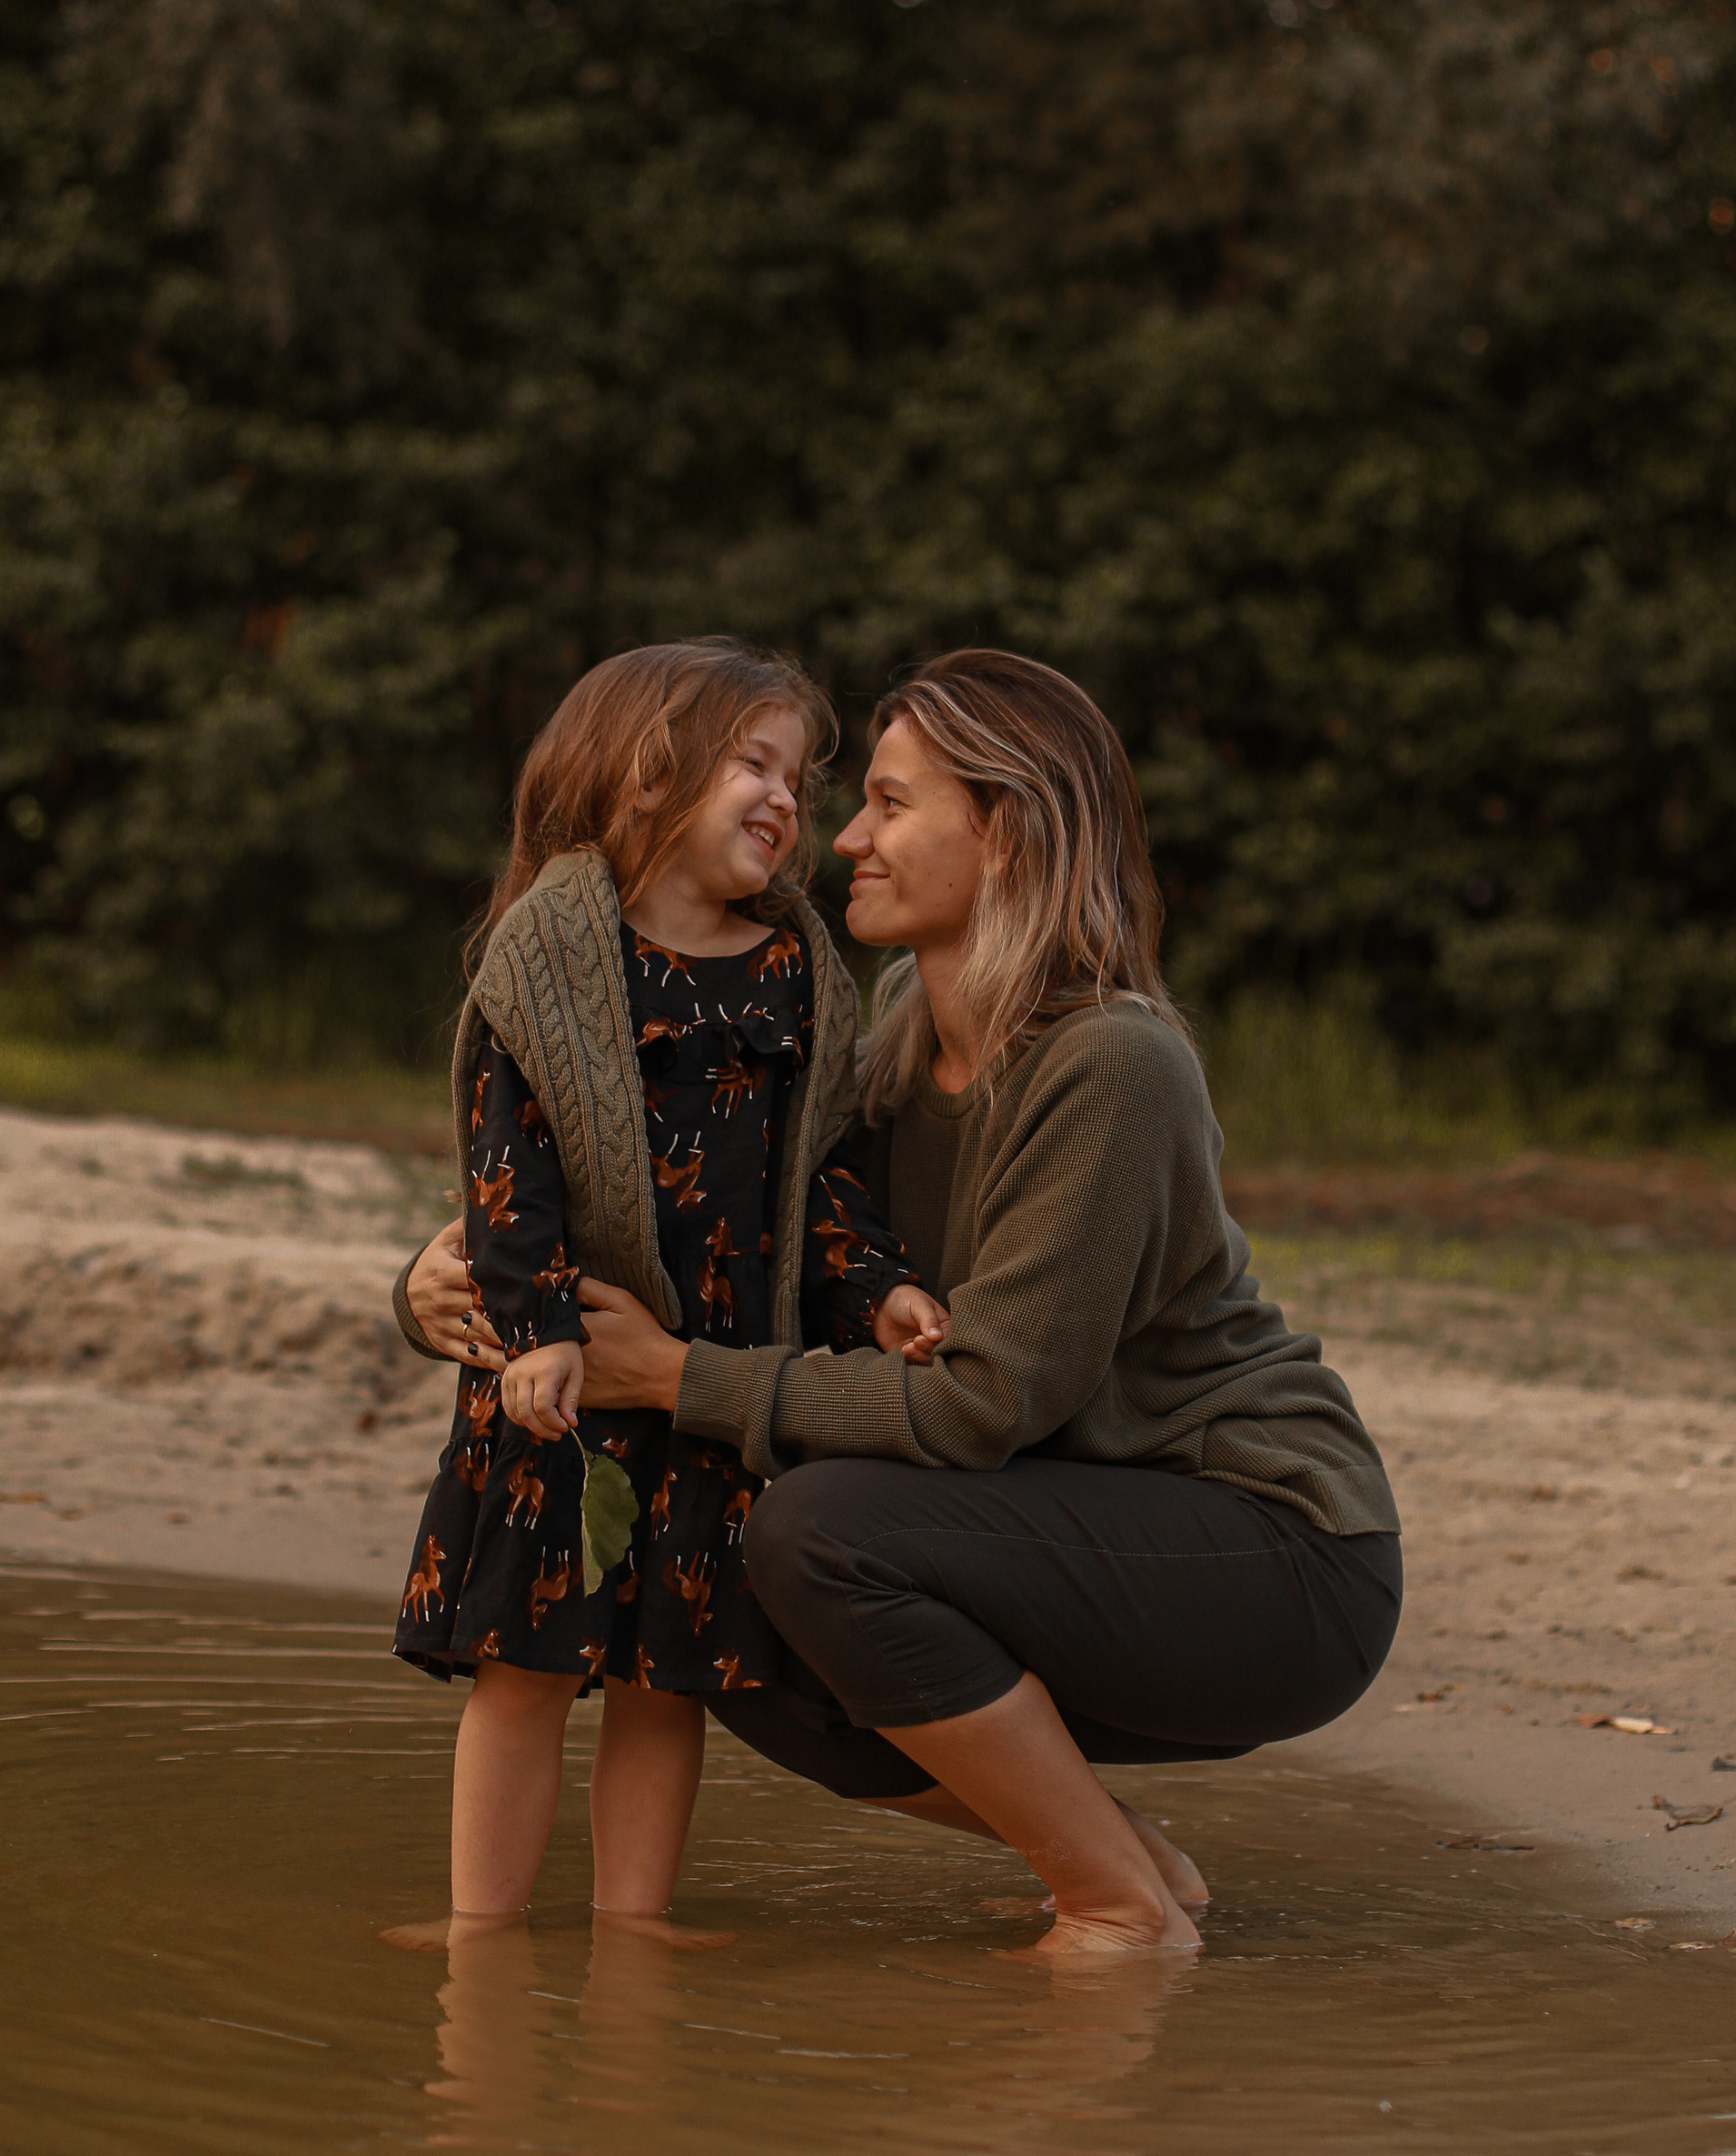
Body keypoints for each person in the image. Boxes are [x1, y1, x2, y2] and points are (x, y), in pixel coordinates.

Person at [403, 648, 1402, 1959]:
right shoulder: (885, 1043)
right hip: (1056, 1527)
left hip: (1269, 1552)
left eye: (887, 802)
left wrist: (674, 1378)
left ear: (1008, 832)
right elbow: (712, 1220)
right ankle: (1120, 1857)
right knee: (722, 1605)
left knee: (815, 1535)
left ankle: (1114, 1909)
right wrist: (443, 1285)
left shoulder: (1114, 1064)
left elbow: (987, 1400)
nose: (847, 835)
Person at [392, 639, 946, 1932]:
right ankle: (483, 1931)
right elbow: (504, 1166)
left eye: (798, 780)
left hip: (711, 1387)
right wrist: (529, 1333)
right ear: (647, 777)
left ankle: (634, 1924)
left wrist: (877, 1295)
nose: (785, 800)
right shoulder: (550, 953)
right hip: (563, 1382)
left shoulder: (800, 967)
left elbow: (826, 1180)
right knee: (522, 1665)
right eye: (753, 764)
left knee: (666, 1676)